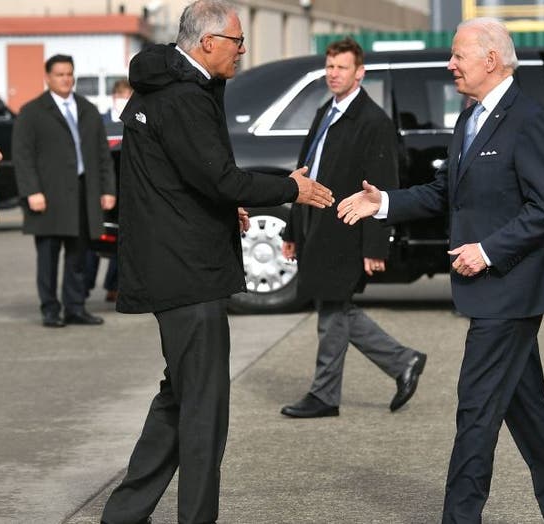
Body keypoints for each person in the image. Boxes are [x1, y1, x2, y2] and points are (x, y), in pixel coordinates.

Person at [337, 18, 544, 524]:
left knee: (476, 411)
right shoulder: (470, 117)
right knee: (526, 409)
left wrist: (488, 250)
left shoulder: (528, 119)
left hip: (513, 286)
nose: (450, 64)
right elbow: (445, 195)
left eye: (458, 55)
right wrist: (384, 202)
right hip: (492, 291)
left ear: (491, 59)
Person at [100, 1, 333, 522]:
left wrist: (228, 205)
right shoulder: (182, 94)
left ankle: (123, 513)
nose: (243, 50)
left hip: (177, 262)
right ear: (207, 43)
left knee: (179, 400)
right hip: (185, 272)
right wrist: (289, 189)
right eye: (237, 41)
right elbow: (219, 177)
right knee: (204, 414)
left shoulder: (171, 85)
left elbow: (186, 178)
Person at [279, 37, 427, 418]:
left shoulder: (374, 122)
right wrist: (292, 230)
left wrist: (376, 246)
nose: (333, 74)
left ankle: (325, 395)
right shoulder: (323, 114)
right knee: (335, 308)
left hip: (347, 228)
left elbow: (383, 188)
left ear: (359, 73)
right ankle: (402, 362)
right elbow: (303, 175)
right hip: (318, 226)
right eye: (330, 67)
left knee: (332, 309)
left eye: (341, 68)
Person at [13, 54, 116, 327]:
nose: (65, 79)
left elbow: (103, 154)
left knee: (79, 255)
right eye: (59, 74)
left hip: (83, 191)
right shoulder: (32, 112)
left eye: (69, 74)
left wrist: (107, 189)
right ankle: (50, 309)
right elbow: (23, 156)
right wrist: (31, 191)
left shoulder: (88, 110)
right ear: (47, 78)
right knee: (48, 256)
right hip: (48, 194)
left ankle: (75, 307)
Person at [83, 79, 132, 303]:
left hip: (127, 189)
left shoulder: (136, 121)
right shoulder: (100, 122)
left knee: (121, 240)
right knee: (94, 237)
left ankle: (115, 286)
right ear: (114, 97)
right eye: (122, 96)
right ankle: (83, 286)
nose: (125, 101)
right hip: (102, 189)